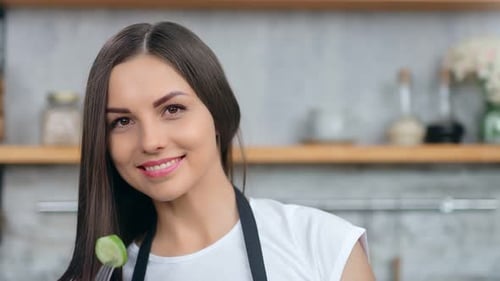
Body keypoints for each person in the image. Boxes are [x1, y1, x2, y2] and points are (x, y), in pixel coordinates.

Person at [59, 21, 375, 281]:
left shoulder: (323, 245)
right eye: (123, 120)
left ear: (218, 117)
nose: (150, 141)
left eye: (172, 109)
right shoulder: (108, 275)